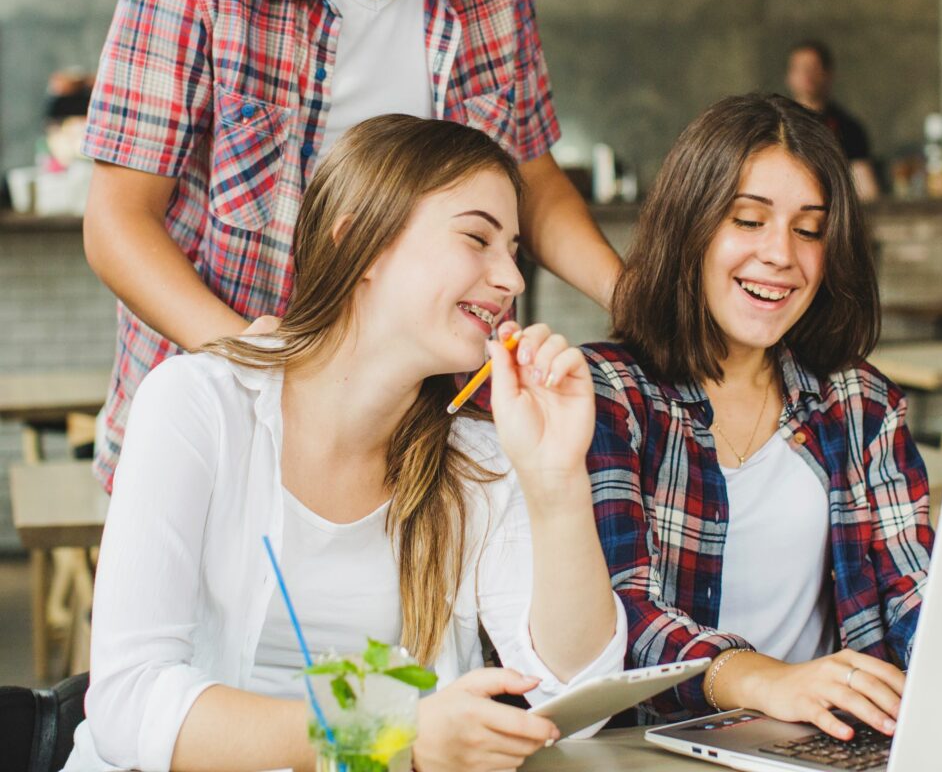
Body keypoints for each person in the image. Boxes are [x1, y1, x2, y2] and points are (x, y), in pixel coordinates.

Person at [81, 0, 622, 492]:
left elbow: (530, 179)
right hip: (218, 429)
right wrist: (258, 359)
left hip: (418, 431)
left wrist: (633, 296)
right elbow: (117, 224)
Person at [66, 115, 626, 772]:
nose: (512, 278)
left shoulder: (479, 459)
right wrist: (389, 730)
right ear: (360, 241)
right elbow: (129, 704)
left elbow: (577, 693)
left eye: (514, 249)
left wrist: (556, 480)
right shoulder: (197, 405)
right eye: (477, 237)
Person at [585, 94, 932, 740]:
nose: (781, 254)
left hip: (830, 745)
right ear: (690, 226)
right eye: (748, 220)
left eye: (809, 230)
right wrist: (765, 677)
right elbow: (613, 619)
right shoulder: (610, 393)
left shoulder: (860, 402)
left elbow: (915, 591)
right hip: (653, 752)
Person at [786, 39, 880, 201]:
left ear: (828, 74)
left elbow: (867, 191)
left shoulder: (849, 128)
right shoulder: (776, 124)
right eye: (800, 68)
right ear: (789, 76)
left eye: (813, 68)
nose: (807, 74)